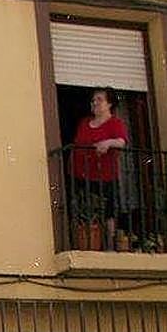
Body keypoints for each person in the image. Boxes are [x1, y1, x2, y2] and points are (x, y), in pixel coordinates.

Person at [69, 86, 128, 246]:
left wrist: (108, 142)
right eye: (93, 100)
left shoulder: (115, 123)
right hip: (81, 175)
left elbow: (121, 142)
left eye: (99, 100)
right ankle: (86, 243)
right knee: (83, 210)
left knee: (108, 212)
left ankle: (109, 245)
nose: (94, 103)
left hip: (105, 176)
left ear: (109, 104)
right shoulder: (84, 123)